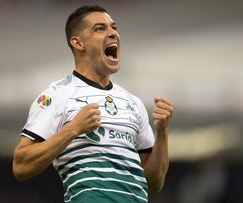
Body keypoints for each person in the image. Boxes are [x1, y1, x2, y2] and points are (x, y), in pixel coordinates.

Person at [12, 5, 174, 203]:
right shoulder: (57, 95)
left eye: (113, 27)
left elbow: (153, 183)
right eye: (100, 28)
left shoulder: (133, 103)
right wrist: (73, 129)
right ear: (78, 43)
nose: (112, 33)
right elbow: (21, 166)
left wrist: (162, 133)